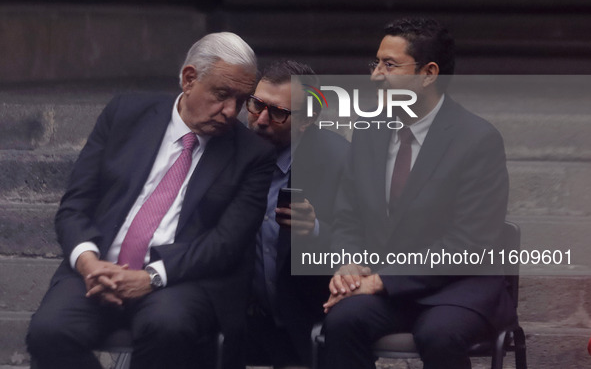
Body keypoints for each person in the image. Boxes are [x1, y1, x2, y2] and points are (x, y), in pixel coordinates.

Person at [26, 32, 276, 369]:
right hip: (98, 269)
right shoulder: (125, 115)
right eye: (221, 94)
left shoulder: (251, 155)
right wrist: (88, 264)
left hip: (180, 280)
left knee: (167, 327)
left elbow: (226, 243)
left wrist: (151, 277)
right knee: (49, 331)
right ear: (189, 79)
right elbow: (75, 205)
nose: (231, 111)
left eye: (241, 99)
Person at [321, 18, 517, 369]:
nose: (376, 75)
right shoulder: (370, 130)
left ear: (429, 74)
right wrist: (349, 263)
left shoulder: (477, 140)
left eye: (390, 65)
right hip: (388, 287)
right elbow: (346, 216)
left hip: (459, 286)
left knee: (438, 334)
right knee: (342, 322)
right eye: (376, 62)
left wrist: (383, 280)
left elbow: (468, 243)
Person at [244, 60, 349, 367]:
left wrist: (316, 231)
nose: (261, 120)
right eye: (256, 105)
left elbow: (367, 243)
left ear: (307, 119)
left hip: (311, 311)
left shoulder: (339, 161)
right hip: (246, 317)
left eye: (278, 112)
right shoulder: (230, 151)